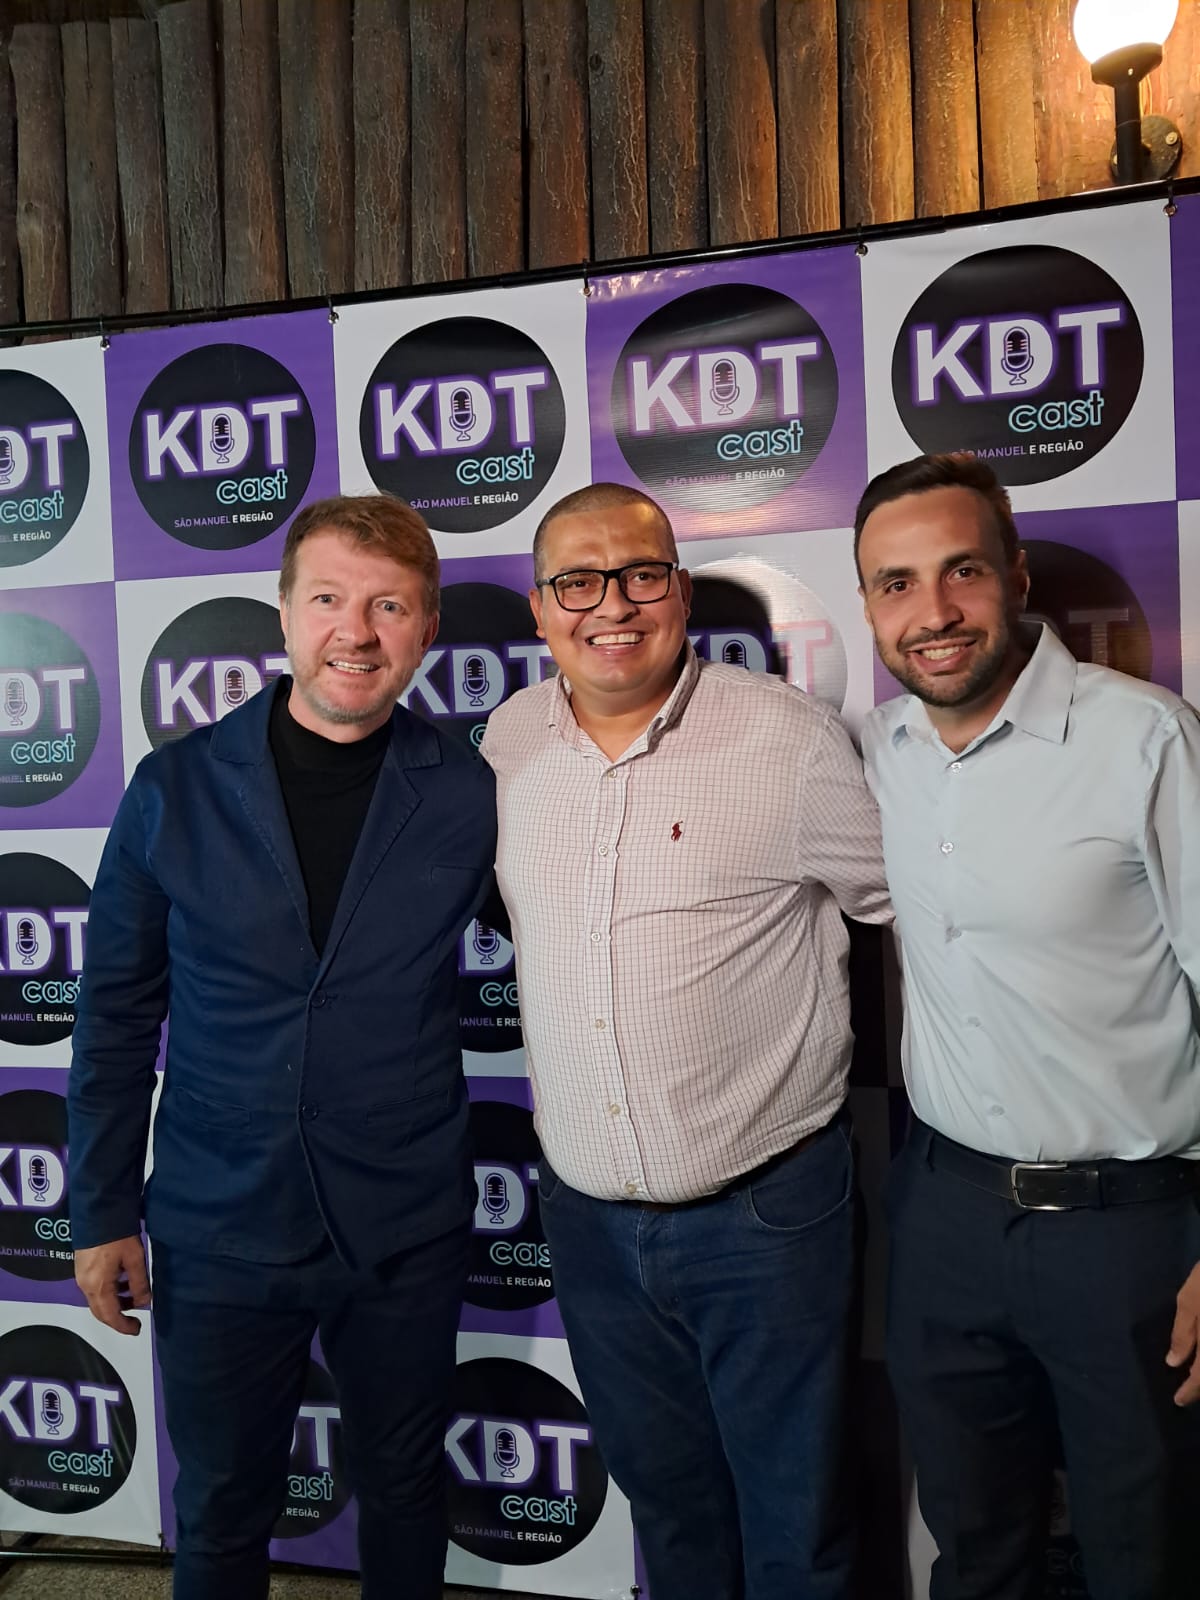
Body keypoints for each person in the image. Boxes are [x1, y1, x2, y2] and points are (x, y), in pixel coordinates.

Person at [68, 494, 496, 1600]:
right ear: (285, 613)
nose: (356, 631)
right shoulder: (174, 787)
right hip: (219, 1222)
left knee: (406, 1491)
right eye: (330, 600)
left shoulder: (471, 790)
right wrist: (101, 1209)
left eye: (388, 605)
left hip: (403, 1222)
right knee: (221, 1507)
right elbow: (115, 1014)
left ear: (427, 626)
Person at [480, 482, 890, 1600]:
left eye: (641, 574)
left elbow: (909, 910)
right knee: (669, 1512)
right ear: (540, 609)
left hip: (765, 1216)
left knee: (799, 1526)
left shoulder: (788, 738)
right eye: (577, 581)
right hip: (587, 1222)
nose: (612, 604)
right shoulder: (506, 744)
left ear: (681, 590)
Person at [855, 452, 1200, 1600]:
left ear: (1016, 574)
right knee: (973, 1550)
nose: (933, 611)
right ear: (869, 606)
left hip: (1131, 1232)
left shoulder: (1145, 740)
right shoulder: (879, 751)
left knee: (1146, 1559)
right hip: (944, 1215)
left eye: (961, 570)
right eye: (896, 583)